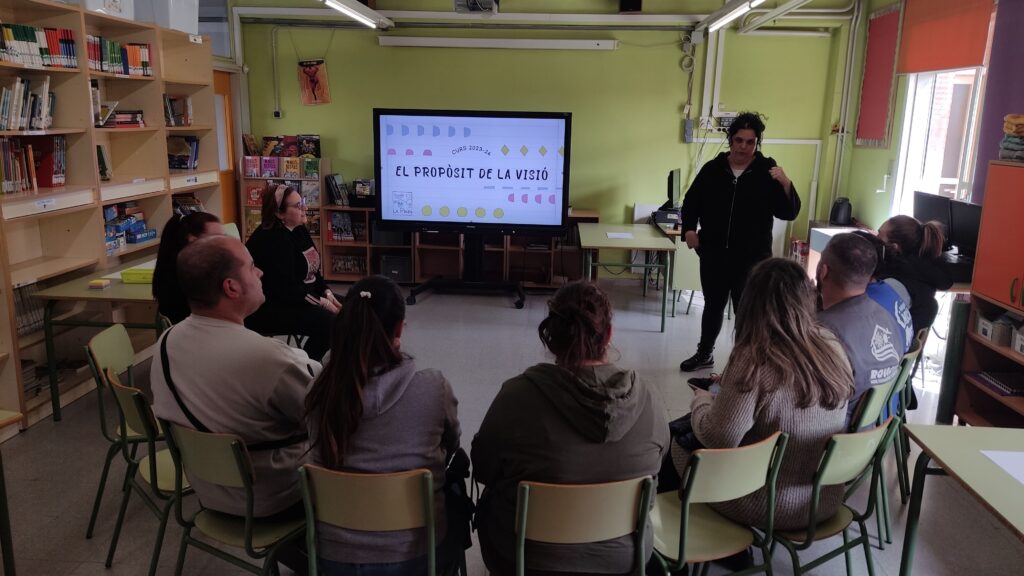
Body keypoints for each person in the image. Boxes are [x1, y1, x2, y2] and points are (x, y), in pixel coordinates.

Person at [472, 281, 669, 576]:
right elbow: (659, 463)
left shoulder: (516, 397)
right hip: (623, 560)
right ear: (609, 334)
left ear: (552, 337)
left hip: (529, 561)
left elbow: (484, 469)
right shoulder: (650, 399)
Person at [673, 257, 853, 533]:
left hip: (768, 503)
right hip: (823, 498)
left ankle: (688, 541)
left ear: (750, 301)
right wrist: (728, 388)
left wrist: (701, 400)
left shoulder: (753, 359)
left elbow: (718, 438)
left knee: (675, 443)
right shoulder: (831, 346)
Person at [151, 235, 321, 520]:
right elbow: (329, 415)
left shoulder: (167, 341)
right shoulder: (268, 359)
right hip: (277, 497)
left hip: (208, 492)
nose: (260, 273)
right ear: (231, 287)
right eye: (252, 266)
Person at [305, 275, 462, 576]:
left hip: (335, 556)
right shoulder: (433, 387)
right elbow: (452, 443)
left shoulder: (320, 390)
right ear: (400, 328)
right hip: (418, 554)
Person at [678, 111, 802, 372]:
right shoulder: (712, 169)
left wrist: (785, 182)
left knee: (747, 312)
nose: (743, 147)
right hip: (714, 254)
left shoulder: (767, 173)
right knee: (713, 305)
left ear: (757, 143)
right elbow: (691, 201)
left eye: (750, 142)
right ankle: (704, 353)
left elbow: (788, 212)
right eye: (739, 140)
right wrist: (689, 230)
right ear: (730, 140)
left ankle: (746, 363)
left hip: (752, 259)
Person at [816, 233, 904, 423]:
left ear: (823, 271)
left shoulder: (823, 332)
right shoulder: (887, 318)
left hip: (832, 433)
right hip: (872, 431)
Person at [245, 184, 339, 361]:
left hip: (299, 297)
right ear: (279, 213)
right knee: (330, 322)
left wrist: (327, 292)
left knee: (354, 306)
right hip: (273, 307)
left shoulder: (298, 228)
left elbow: (313, 270)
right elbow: (289, 290)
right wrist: (323, 303)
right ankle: (307, 365)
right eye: (298, 206)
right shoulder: (273, 240)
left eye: (303, 202)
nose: (305, 208)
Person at [877, 215, 953, 332]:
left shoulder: (893, 277)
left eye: (879, 234)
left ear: (894, 246)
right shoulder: (925, 269)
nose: (875, 238)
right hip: (904, 339)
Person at [152, 211, 223, 324]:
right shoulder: (189, 277)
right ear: (193, 240)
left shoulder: (175, 266)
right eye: (216, 239)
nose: (223, 243)